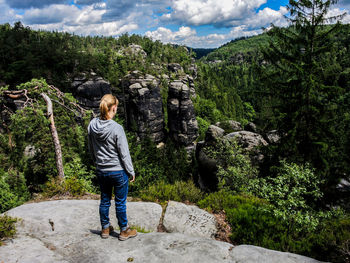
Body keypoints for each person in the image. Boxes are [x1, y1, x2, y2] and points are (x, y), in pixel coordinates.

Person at [88, 94, 137, 241]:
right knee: (120, 202)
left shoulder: (92, 125)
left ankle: (105, 228)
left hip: (102, 170)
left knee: (104, 200)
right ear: (113, 108)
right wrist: (130, 171)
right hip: (118, 171)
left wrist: (96, 162)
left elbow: (91, 149)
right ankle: (124, 230)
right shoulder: (117, 128)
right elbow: (124, 153)